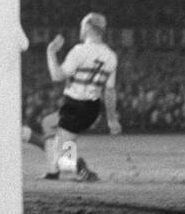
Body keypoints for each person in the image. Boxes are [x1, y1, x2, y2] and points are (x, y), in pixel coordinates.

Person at [28, 12, 121, 181]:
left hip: (75, 106)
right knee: (48, 124)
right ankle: (53, 171)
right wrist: (112, 120)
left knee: (66, 160)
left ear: (87, 28)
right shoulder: (111, 56)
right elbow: (109, 91)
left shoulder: (79, 51)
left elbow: (57, 76)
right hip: (92, 107)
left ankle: (81, 171)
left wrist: (50, 51)